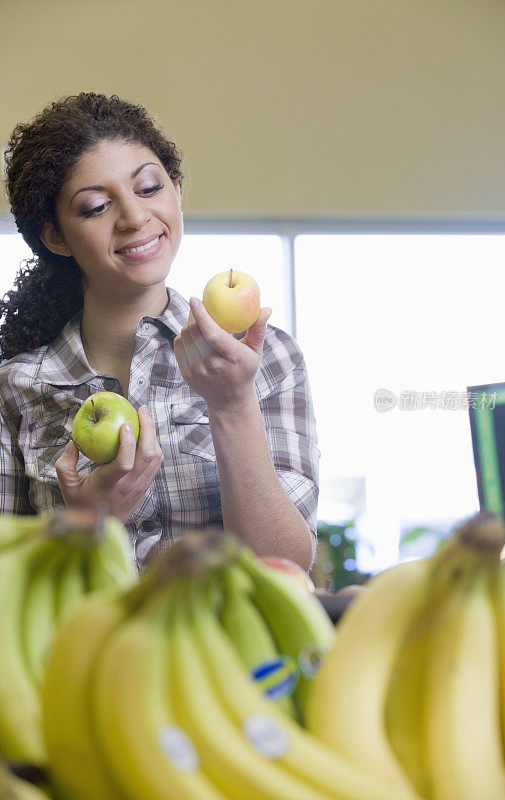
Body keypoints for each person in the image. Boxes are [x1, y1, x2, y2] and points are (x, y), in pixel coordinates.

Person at [0, 92, 319, 570]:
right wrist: (89, 527)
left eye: (149, 188)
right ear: (56, 236)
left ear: (175, 189)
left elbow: (285, 565)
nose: (134, 218)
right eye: (95, 207)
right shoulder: (16, 388)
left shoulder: (263, 356)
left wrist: (231, 402)